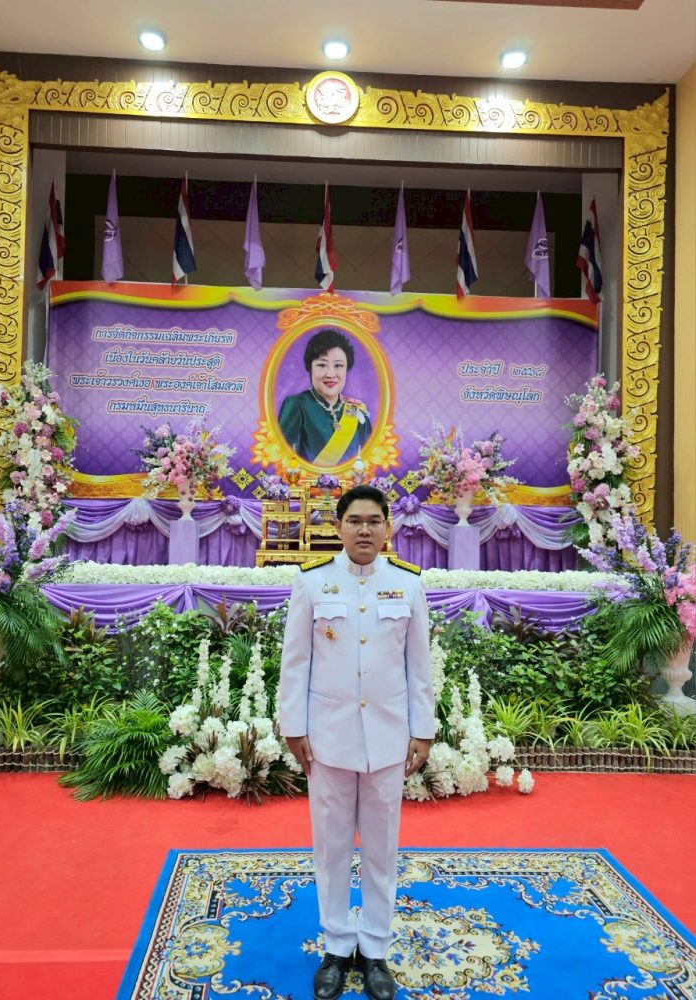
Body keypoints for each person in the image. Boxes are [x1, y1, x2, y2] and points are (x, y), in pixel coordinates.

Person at [279, 485, 435, 1000]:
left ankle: (375, 949)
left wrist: (423, 729)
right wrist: (294, 726)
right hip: (328, 737)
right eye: (354, 521)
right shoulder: (312, 582)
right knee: (330, 847)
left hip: (388, 738)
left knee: (382, 849)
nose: (364, 530)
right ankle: (336, 945)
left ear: (388, 527)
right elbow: (295, 662)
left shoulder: (408, 584)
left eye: (373, 521)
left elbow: (419, 666)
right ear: (338, 527)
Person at [278, 328, 372, 467]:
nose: (330, 374)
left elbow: (369, 464)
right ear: (310, 368)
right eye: (322, 365)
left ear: (346, 369)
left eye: (338, 365)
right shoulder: (297, 405)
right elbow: (282, 462)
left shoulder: (357, 412)